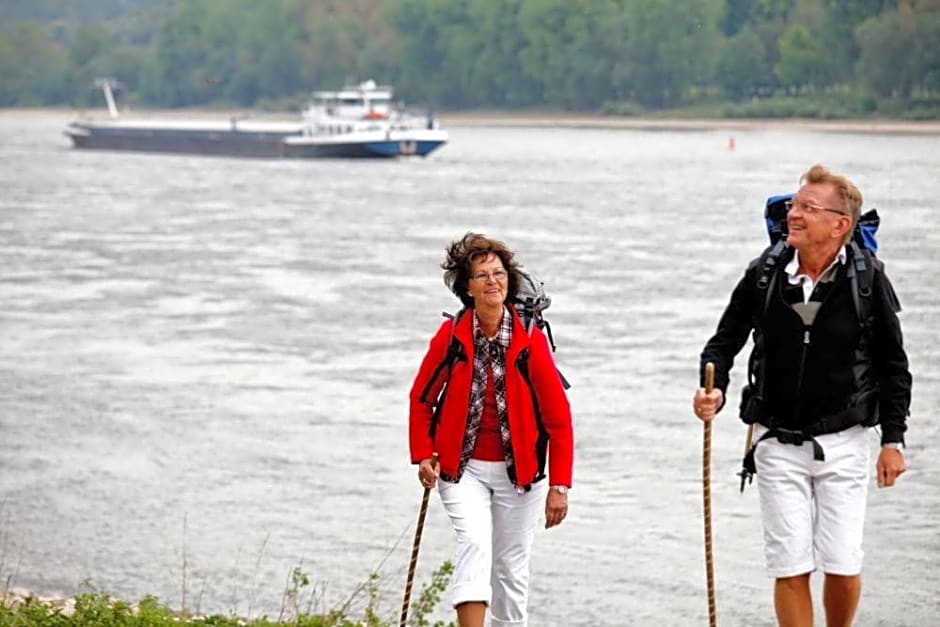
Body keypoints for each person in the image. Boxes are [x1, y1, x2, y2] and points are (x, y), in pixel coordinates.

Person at [692, 164, 912, 627]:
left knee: (843, 562)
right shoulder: (764, 274)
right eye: (794, 205)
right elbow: (723, 343)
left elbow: (894, 365)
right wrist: (713, 390)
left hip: (846, 441)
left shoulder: (867, 281)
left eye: (808, 208)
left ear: (840, 224)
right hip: (775, 441)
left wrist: (893, 440)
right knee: (789, 564)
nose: (794, 214)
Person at [409, 232, 574, 627]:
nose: (492, 281)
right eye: (481, 275)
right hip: (460, 469)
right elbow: (421, 400)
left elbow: (558, 419)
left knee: (510, 570)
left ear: (509, 281)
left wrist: (560, 486)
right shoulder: (451, 338)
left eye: (498, 273)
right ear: (467, 287)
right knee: (474, 546)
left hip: (521, 476)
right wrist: (423, 454)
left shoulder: (529, 341)